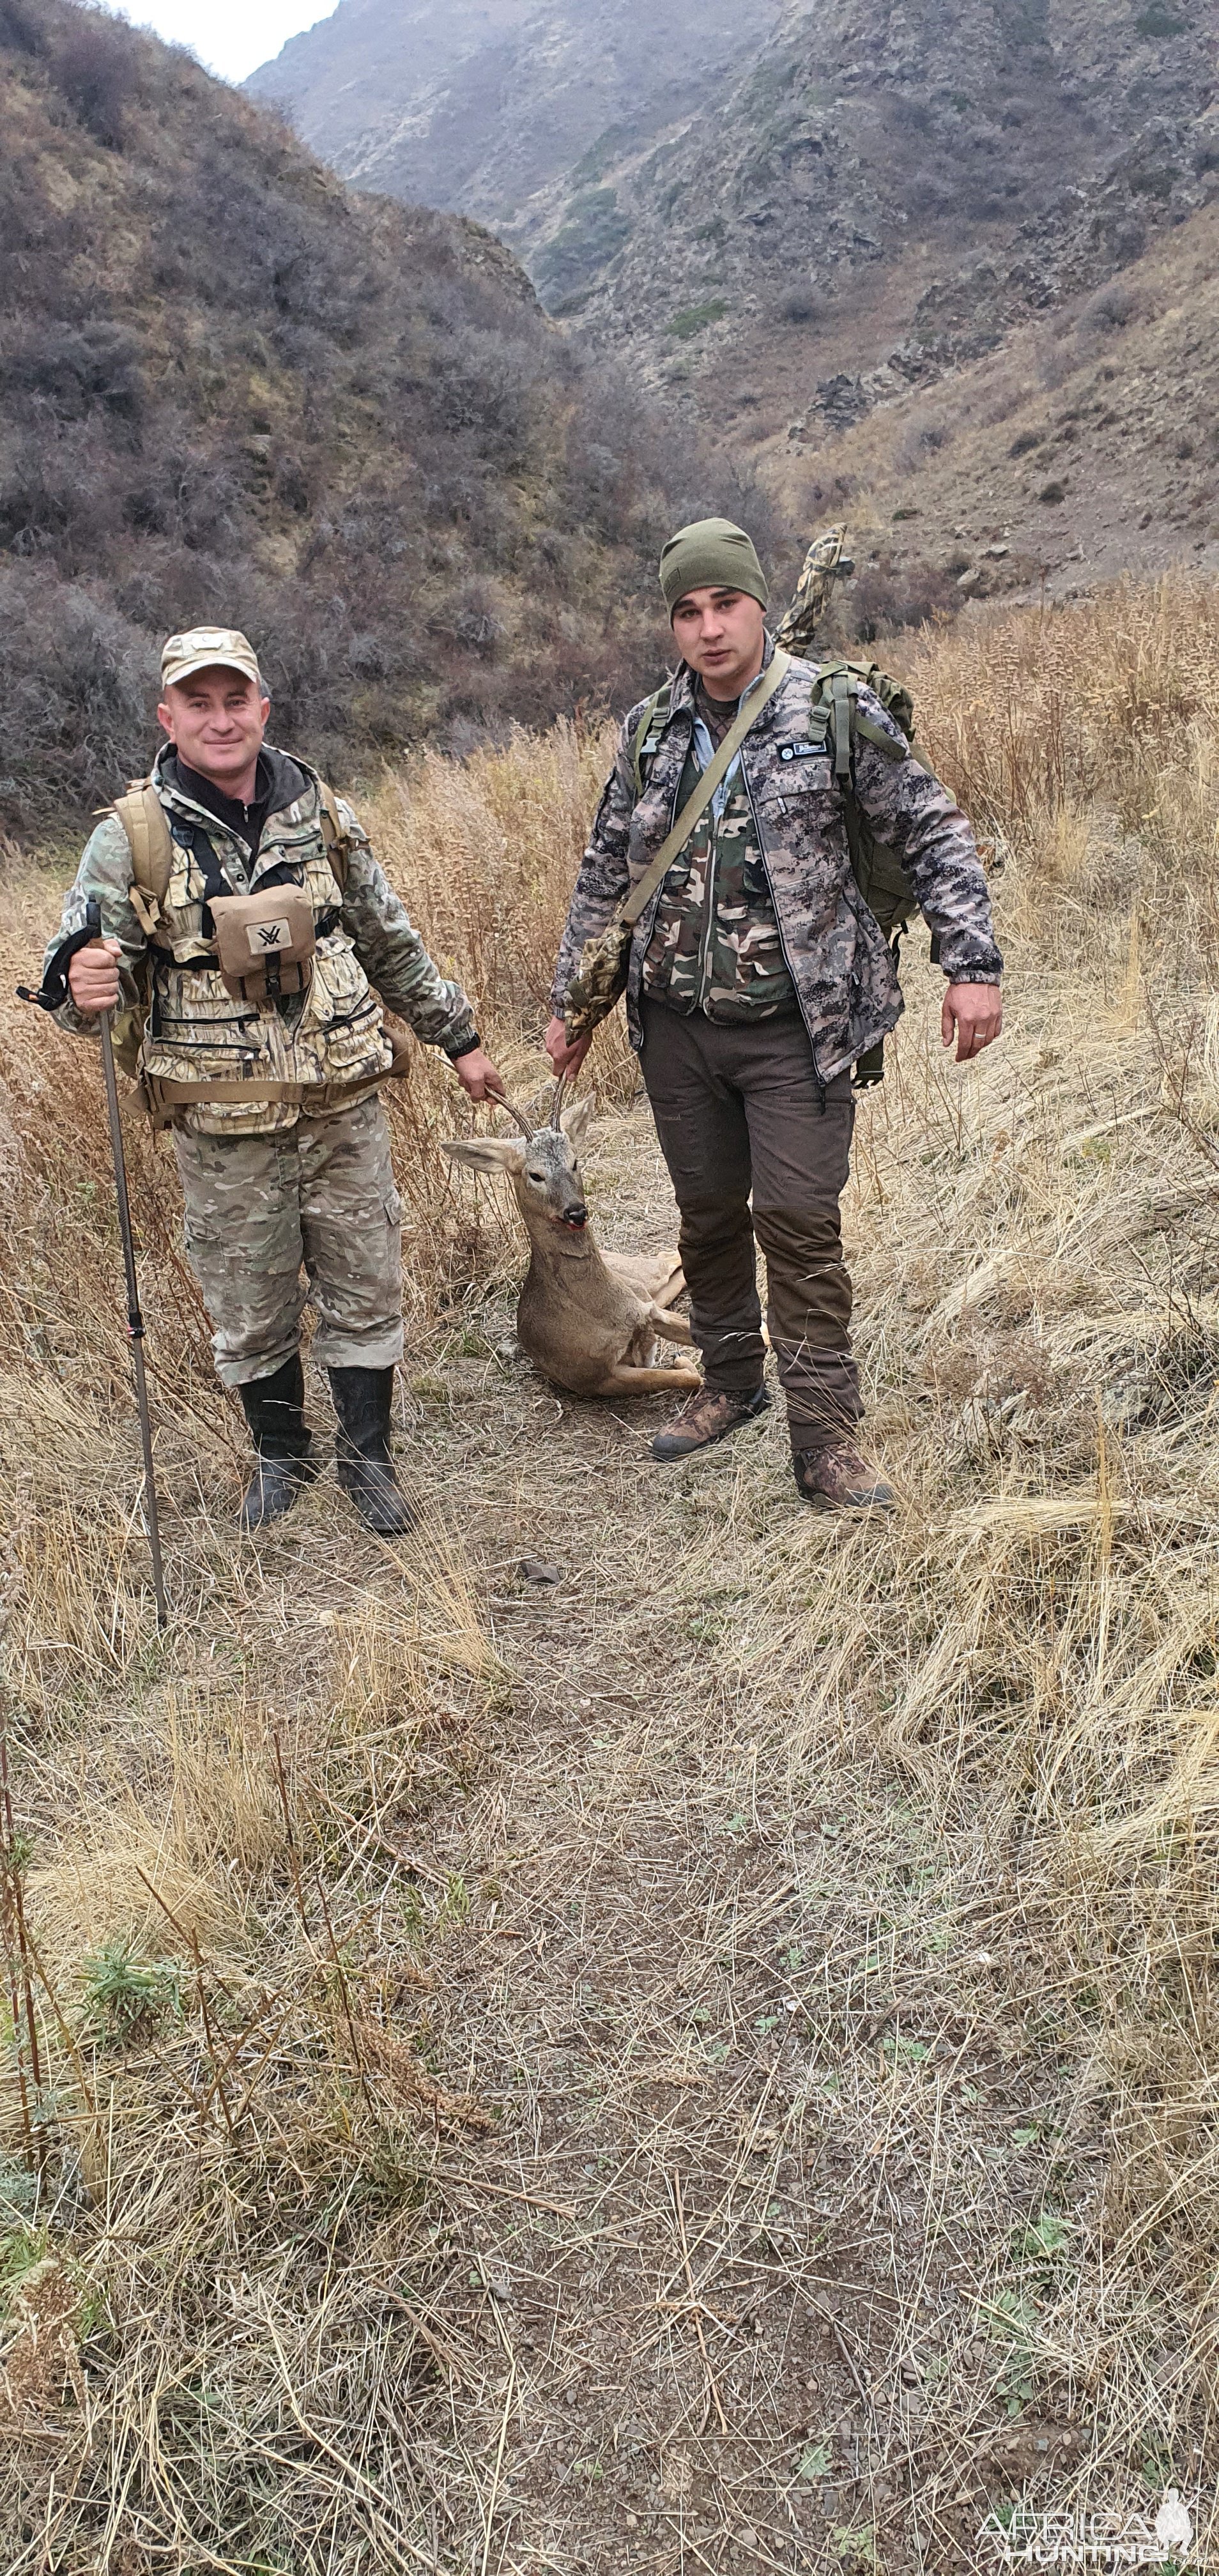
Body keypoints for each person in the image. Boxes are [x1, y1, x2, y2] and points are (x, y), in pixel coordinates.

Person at [544, 518, 1003, 1511]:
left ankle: (826, 1438)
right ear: (673, 624)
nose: (710, 629)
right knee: (708, 1223)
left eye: (726, 605)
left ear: (760, 605)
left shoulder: (832, 710)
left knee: (796, 1226)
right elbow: (603, 876)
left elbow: (931, 829)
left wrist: (970, 963)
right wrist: (570, 1006)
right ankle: (730, 1381)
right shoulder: (650, 734)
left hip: (801, 1029)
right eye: (688, 611)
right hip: (674, 1031)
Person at [41, 625, 504, 1535]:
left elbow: (387, 938)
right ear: (168, 717)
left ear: (263, 707)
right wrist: (81, 987)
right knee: (249, 1304)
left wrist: (461, 1039)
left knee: (366, 1283)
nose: (221, 721)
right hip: (223, 1132)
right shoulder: (128, 838)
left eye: (235, 700)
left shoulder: (322, 813)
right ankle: (281, 1459)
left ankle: (367, 1459)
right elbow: (83, 983)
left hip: (342, 1108)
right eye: (199, 704)